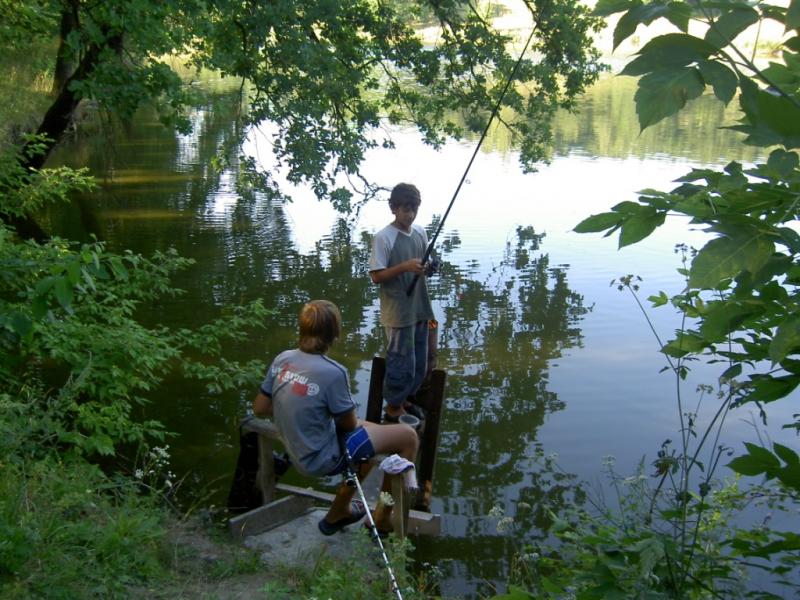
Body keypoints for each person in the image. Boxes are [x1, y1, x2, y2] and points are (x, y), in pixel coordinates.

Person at [252, 299, 418, 535]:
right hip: (323, 457)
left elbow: (260, 406)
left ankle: (338, 512)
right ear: (335, 334)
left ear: (302, 329)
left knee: (371, 430)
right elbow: (348, 424)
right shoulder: (333, 372)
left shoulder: (283, 360)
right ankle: (381, 518)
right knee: (408, 437)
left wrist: (301, 412)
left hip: (295, 451)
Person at [369, 183, 436, 423]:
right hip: (398, 313)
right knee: (400, 361)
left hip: (419, 308)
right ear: (393, 208)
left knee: (419, 359)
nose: (410, 215)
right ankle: (393, 408)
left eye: (414, 209)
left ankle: (407, 398)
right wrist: (405, 267)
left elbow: (422, 267)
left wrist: (428, 268)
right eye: (405, 209)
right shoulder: (383, 238)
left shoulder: (420, 232)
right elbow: (376, 276)